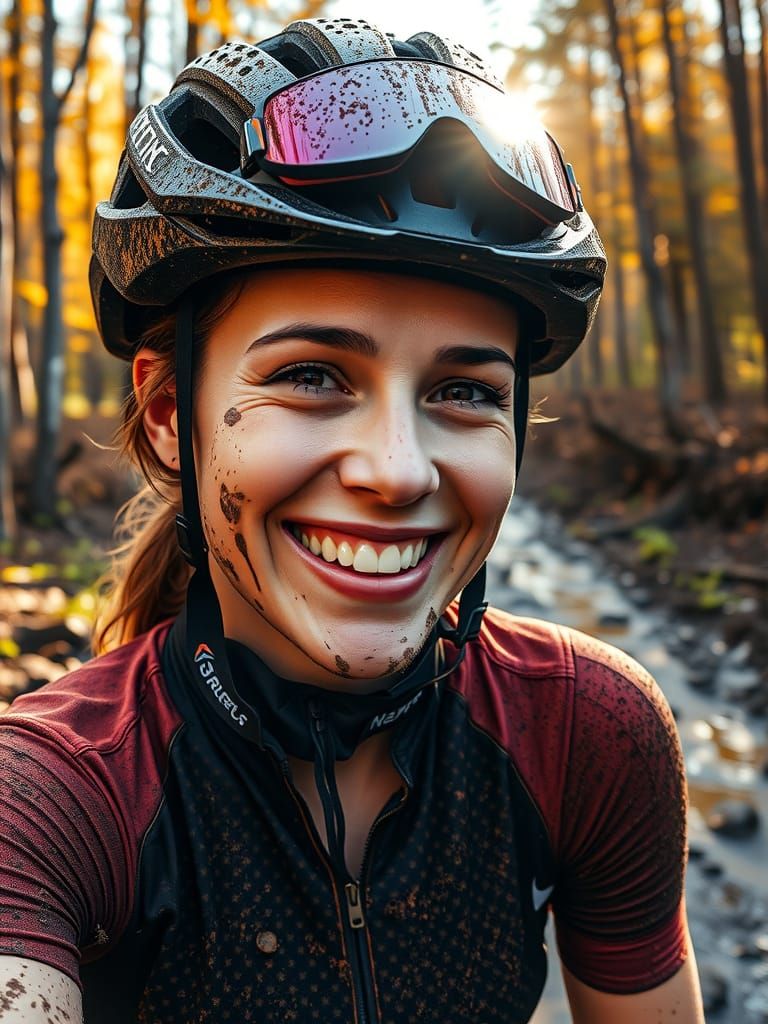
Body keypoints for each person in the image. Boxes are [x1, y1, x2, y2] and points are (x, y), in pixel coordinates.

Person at [0, 17, 705, 1024]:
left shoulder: (589, 730)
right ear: (169, 418)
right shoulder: (47, 797)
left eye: (465, 391)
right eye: (313, 376)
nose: (398, 470)